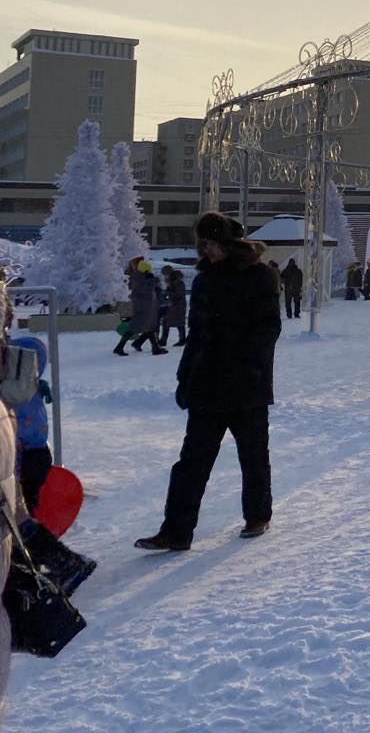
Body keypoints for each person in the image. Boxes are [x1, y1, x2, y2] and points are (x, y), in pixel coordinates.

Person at [135, 212, 281, 551]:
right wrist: (185, 376)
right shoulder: (205, 280)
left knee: (253, 455)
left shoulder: (260, 276)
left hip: (247, 386)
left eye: (213, 244)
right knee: (191, 462)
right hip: (207, 385)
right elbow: (198, 334)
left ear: (230, 243)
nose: (208, 251)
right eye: (203, 244)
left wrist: (252, 368)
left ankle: (257, 515)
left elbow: (268, 328)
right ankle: (176, 531)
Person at [10, 332, 52, 513]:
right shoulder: (29, 386)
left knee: (24, 494)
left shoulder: (15, 389)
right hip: (34, 451)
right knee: (27, 494)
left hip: (28, 452)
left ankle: (27, 519)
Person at [114, 258, 167, 356]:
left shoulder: (137, 277)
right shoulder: (146, 279)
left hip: (143, 306)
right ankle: (120, 347)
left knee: (148, 327)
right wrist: (152, 280)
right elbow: (147, 292)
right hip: (146, 307)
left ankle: (154, 348)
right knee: (137, 328)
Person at [160, 265, 187, 347]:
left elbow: (179, 294)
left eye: (165, 274)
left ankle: (182, 339)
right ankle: (163, 340)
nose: (165, 276)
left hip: (178, 306)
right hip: (172, 305)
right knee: (166, 322)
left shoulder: (178, 282)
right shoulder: (171, 282)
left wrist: (167, 293)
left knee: (179, 323)